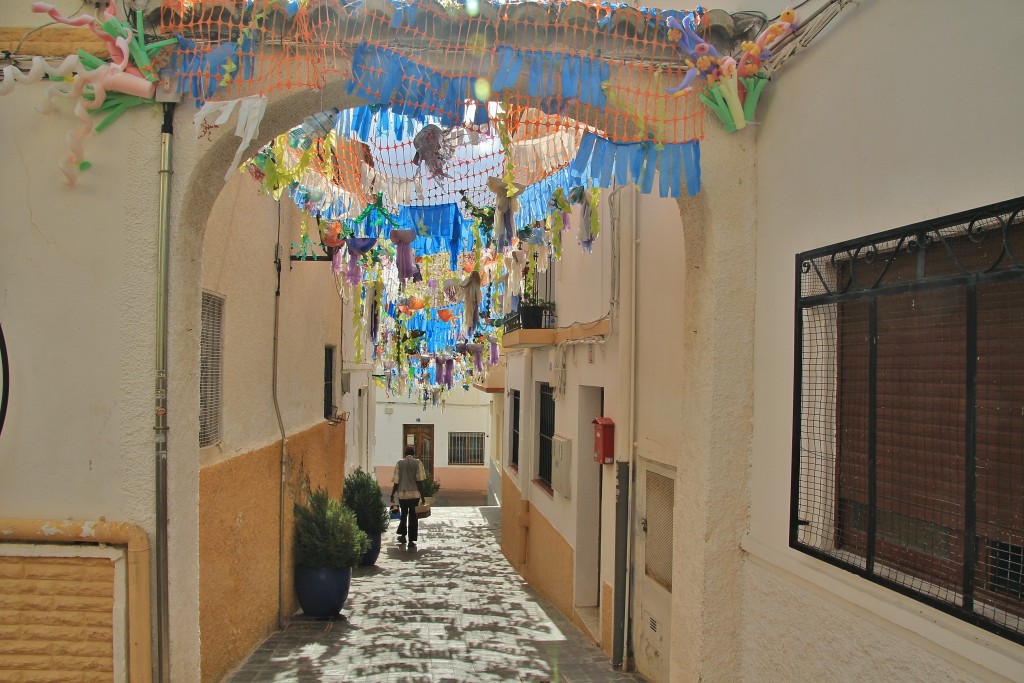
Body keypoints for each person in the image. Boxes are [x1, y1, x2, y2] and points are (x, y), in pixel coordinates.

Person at [390, 445, 426, 550]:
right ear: (414, 453)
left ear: (405, 453)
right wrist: (422, 497)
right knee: (413, 517)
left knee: (404, 514)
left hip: (402, 495)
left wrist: (392, 494)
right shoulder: (418, 463)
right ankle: (411, 541)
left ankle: (403, 536)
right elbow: (420, 481)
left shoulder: (399, 463)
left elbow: (396, 481)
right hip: (414, 495)